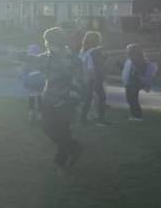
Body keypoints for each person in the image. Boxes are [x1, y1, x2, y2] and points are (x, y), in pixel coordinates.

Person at [39, 27, 84, 168]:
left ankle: (61, 162)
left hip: (65, 100)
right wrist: (24, 58)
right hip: (48, 98)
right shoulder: (48, 56)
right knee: (47, 128)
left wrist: (71, 96)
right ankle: (74, 147)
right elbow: (36, 61)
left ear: (56, 42)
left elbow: (78, 80)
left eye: (48, 41)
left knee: (63, 130)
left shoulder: (71, 58)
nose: (46, 44)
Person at [78, 31, 108, 126]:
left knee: (88, 98)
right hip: (94, 77)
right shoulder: (96, 51)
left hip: (85, 76)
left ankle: (83, 118)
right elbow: (97, 66)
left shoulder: (83, 50)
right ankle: (100, 119)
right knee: (101, 97)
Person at [121, 43, 149, 121]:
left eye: (128, 50)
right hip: (129, 82)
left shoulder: (137, 60)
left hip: (134, 83)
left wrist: (135, 71)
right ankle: (133, 115)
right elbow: (127, 69)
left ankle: (138, 116)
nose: (127, 52)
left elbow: (139, 71)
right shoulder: (130, 59)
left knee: (133, 99)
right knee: (130, 99)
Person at [20, 44, 45, 124]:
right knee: (40, 96)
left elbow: (24, 71)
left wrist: (23, 79)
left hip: (30, 80)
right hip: (40, 80)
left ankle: (31, 113)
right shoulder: (41, 59)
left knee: (31, 96)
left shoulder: (27, 60)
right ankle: (39, 114)